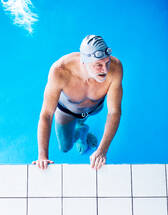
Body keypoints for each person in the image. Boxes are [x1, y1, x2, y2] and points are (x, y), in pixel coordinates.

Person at [32, 35, 123, 170]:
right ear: (84, 62)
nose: (105, 70)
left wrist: (102, 150)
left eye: (107, 62)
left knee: (83, 119)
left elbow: (114, 112)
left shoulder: (115, 68)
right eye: (98, 65)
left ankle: (82, 128)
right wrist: (42, 156)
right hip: (67, 112)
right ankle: (81, 132)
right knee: (65, 147)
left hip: (94, 107)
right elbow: (46, 114)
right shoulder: (60, 71)